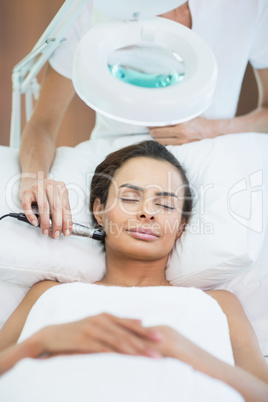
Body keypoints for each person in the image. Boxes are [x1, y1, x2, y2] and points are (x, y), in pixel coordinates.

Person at [1, 141, 268, 401]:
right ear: (99, 211)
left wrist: (188, 353)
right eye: (130, 198)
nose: (147, 212)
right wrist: (39, 343)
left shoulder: (219, 303)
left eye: (164, 205)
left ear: (181, 226)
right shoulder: (48, 293)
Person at [19, 0, 268, 238]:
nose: (147, 214)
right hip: (115, 174)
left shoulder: (248, 7)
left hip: (206, 171)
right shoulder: (90, 10)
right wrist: (34, 180)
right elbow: (42, 124)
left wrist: (212, 129)